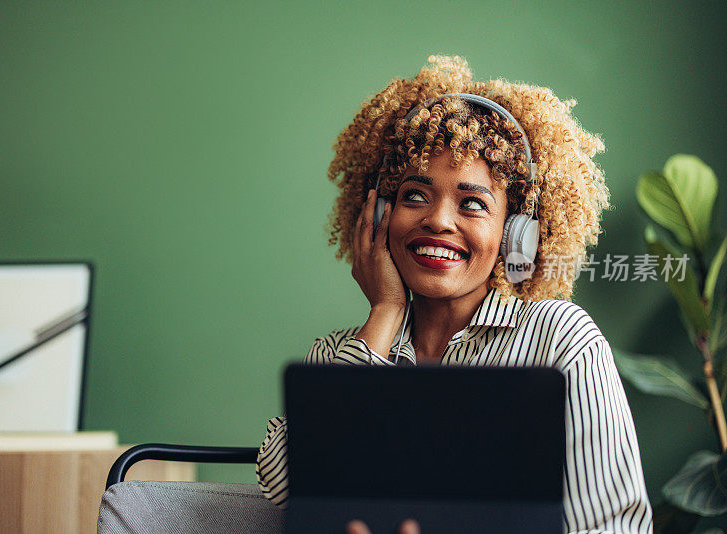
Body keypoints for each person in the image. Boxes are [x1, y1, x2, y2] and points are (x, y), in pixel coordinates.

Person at [256, 54, 653, 534]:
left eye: (473, 203)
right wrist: (384, 311)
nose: (439, 220)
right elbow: (284, 485)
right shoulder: (340, 354)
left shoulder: (561, 342)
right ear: (379, 216)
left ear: (517, 235)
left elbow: (613, 527)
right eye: (415, 196)